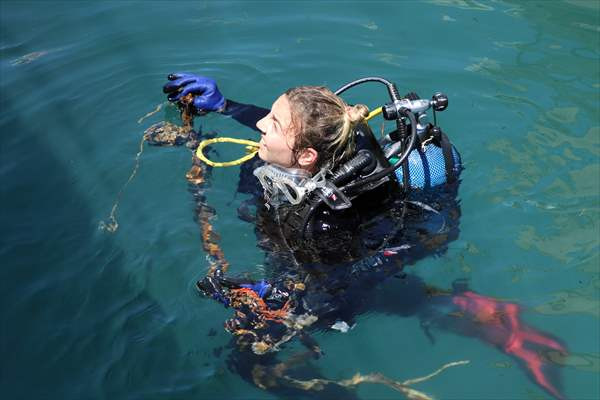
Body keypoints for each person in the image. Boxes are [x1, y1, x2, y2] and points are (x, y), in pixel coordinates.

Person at [162, 73, 568, 399]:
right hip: (366, 241)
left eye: (272, 122)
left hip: (356, 264)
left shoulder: (323, 221)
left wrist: (277, 299)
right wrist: (225, 105)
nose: (261, 125)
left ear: (306, 157)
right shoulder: (330, 145)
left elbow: (335, 285)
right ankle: (475, 310)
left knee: (245, 359)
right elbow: (285, 136)